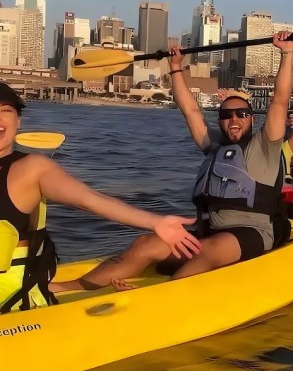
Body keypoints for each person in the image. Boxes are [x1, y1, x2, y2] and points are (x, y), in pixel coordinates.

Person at [52, 31, 293, 293]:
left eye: (241, 113)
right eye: (226, 115)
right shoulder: (213, 146)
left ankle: (161, 298)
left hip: (252, 232)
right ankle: (64, 289)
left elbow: (280, 100)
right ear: (220, 120)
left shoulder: (265, 145)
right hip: (208, 230)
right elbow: (190, 110)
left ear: (251, 118)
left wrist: (287, 53)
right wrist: (176, 67)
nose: (233, 119)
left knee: (208, 251)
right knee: (146, 244)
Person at [0, 82, 199, 312]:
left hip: (12, 300)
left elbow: (89, 199)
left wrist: (154, 222)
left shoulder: (32, 169)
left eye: (6, 111)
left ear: (18, 122)